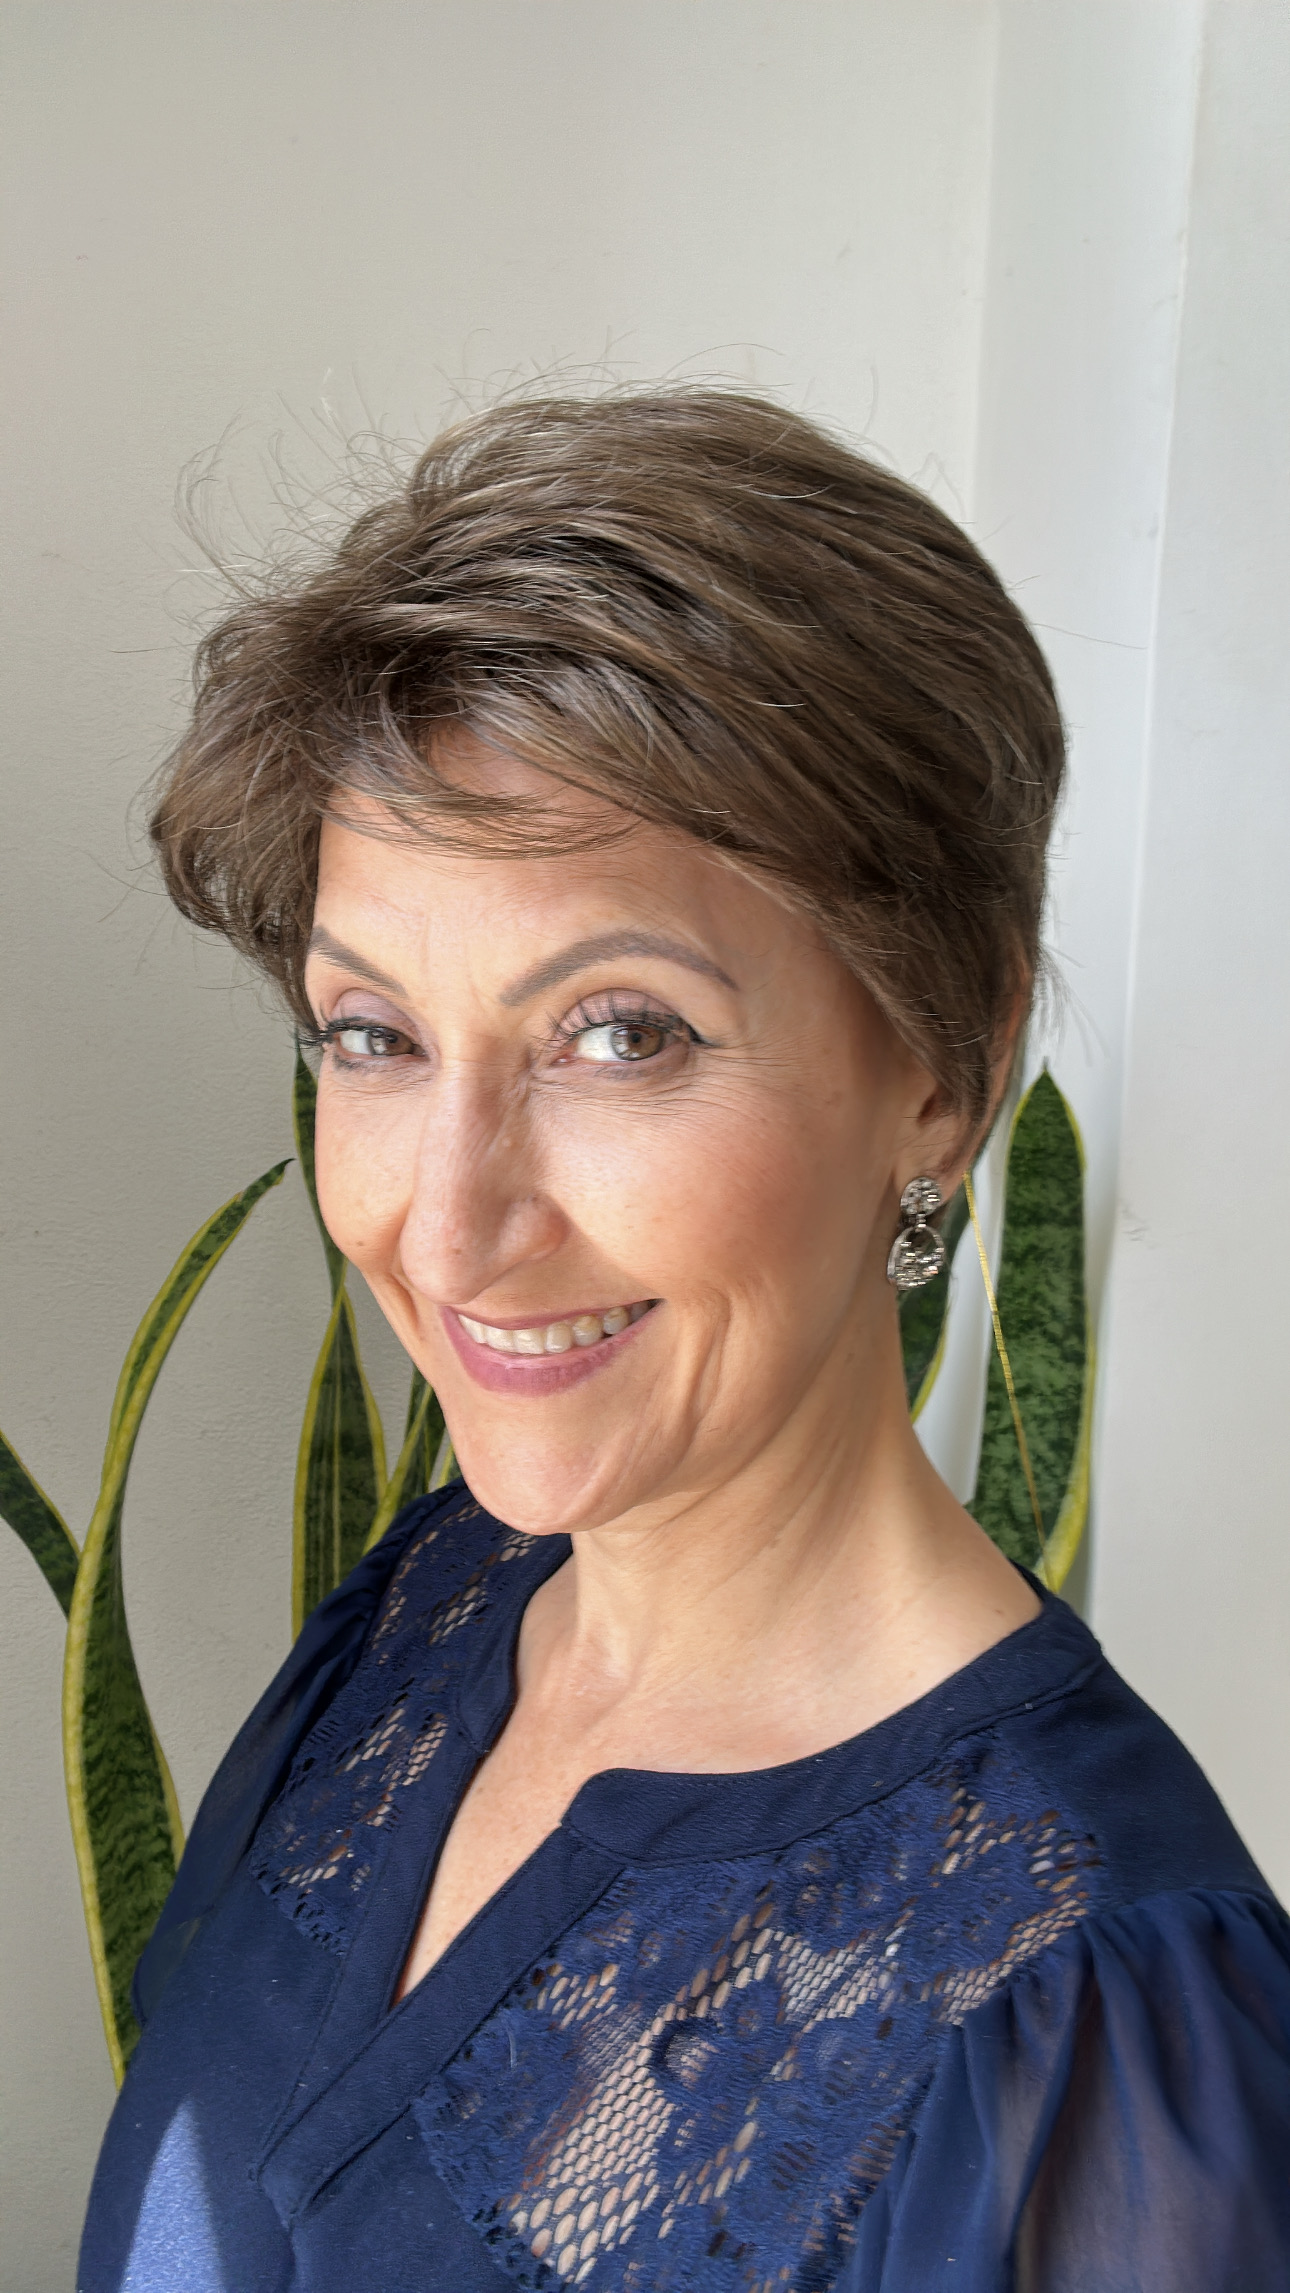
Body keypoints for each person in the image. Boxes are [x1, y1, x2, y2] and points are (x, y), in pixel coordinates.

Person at [80, 391, 1289, 2293]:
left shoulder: (1088, 2026)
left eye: (619, 1033)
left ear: (945, 1067)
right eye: (373, 1035)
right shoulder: (427, 1621)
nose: (447, 1224)